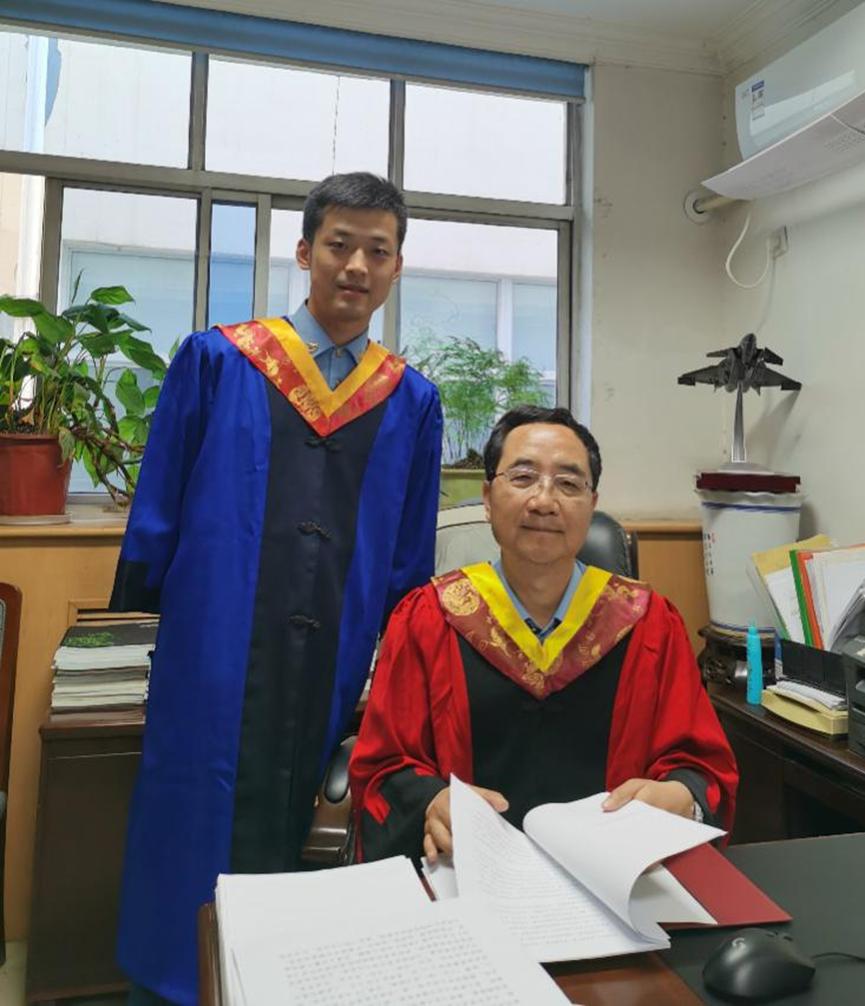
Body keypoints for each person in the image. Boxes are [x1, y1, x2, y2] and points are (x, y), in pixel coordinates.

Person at [111, 172, 442, 1005]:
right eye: (340, 245)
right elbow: (158, 507)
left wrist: (393, 659)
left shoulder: (411, 400)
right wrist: (150, 616)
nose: (356, 266)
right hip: (212, 648)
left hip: (337, 653)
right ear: (304, 251)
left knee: (304, 830)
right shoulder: (219, 360)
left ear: (397, 267)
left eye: (377, 251)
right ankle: (178, 983)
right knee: (192, 812)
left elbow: (409, 552)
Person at [350, 405, 737, 864]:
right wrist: (431, 802)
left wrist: (681, 797)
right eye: (523, 477)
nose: (544, 501)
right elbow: (384, 767)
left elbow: (700, 767)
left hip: (612, 880)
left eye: (569, 484)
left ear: (592, 505)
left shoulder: (648, 624)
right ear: (488, 497)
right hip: (466, 875)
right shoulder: (428, 619)